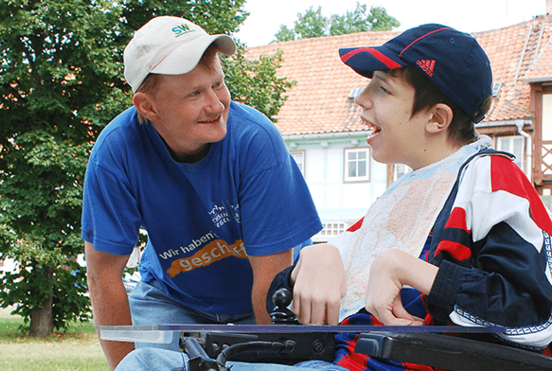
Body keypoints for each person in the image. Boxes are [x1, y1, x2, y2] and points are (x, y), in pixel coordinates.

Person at [114, 22, 552, 371]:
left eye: (381, 88)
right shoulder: (398, 196)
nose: (359, 99)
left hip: (378, 364)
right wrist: (313, 260)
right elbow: (295, 308)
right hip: (328, 359)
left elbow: (534, 316)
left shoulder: (490, 178)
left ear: (436, 118)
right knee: (146, 361)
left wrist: (406, 268)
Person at [81, 15, 322, 370]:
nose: (215, 104)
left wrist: (270, 361)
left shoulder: (256, 140)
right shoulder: (115, 154)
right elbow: (103, 276)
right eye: (195, 93)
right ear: (148, 107)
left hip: (266, 295)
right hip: (173, 298)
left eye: (218, 84)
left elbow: (270, 280)